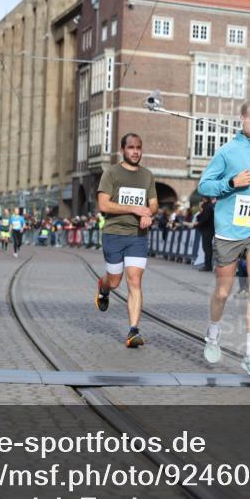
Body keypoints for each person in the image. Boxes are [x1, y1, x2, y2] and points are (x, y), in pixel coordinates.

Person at [198, 100, 250, 375]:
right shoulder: (227, 151)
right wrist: (231, 183)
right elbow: (204, 185)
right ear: (243, 119)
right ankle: (213, 333)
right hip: (229, 230)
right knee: (223, 291)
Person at [94, 133, 159, 348]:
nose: (136, 151)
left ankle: (133, 331)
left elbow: (153, 204)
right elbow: (103, 205)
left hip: (137, 238)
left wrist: (148, 214)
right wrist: (133, 208)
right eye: (131, 147)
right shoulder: (111, 173)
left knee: (135, 281)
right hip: (114, 234)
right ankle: (103, 288)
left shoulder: (147, 175)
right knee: (114, 281)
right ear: (123, 149)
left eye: (139, 147)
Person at [195, 197, 215, 272]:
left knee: (207, 248)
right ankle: (207, 265)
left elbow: (205, 218)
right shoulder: (207, 206)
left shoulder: (208, 206)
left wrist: (198, 224)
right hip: (208, 229)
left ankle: (208, 266)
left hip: (208, 230)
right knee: (206, 248)